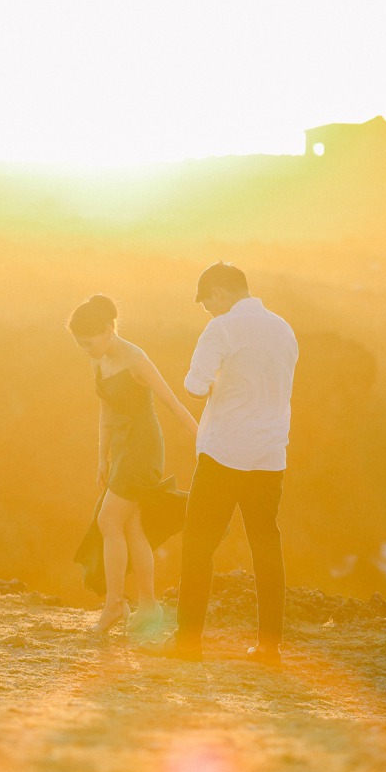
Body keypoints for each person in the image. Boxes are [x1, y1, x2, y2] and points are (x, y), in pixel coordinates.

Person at [147, 262, 298, 665]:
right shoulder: (284, 329)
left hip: (225, 454)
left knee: (199, 546)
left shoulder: (222, 328)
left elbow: (195, 386)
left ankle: (188, 644)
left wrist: (218, 382)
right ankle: (270, 648)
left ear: (218, 294)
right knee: (266, 547)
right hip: (269, 455)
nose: (209, 312)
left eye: (207, 304)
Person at [68, 295, 199, 635]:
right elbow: (106, 411)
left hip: (143, 448)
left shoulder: (135, 358)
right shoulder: (99, 360)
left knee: (108, 519)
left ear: (109, 329)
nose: (87, 350)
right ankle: (148, 606)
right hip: (122, 448)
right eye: (81, 346)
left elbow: (170, 402)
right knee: (131, 526)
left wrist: (203, 437)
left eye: (90, 343)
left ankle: (114, 606)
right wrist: (101, 456)